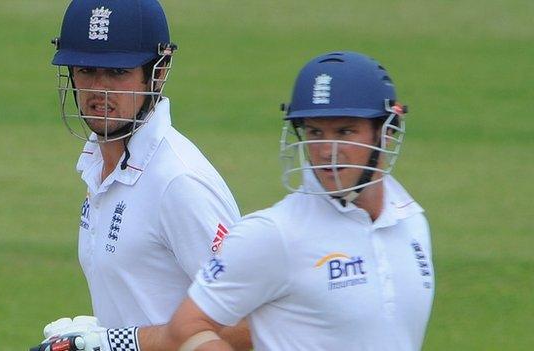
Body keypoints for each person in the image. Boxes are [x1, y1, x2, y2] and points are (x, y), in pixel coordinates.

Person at [152, 51, 435, 350]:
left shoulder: (411, 221)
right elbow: (186, 326)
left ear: (386, 132)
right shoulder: (273, 233)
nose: (327, 150)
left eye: (345, 131)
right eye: (315, 132)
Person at [34, 0, 251, 350]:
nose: (99, 88)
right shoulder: (98, 164)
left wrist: (119, 341)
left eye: (118, 72)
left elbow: (248, 326)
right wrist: (95, 334)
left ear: (159, 71)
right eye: (86, 69)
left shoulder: (179, 183)